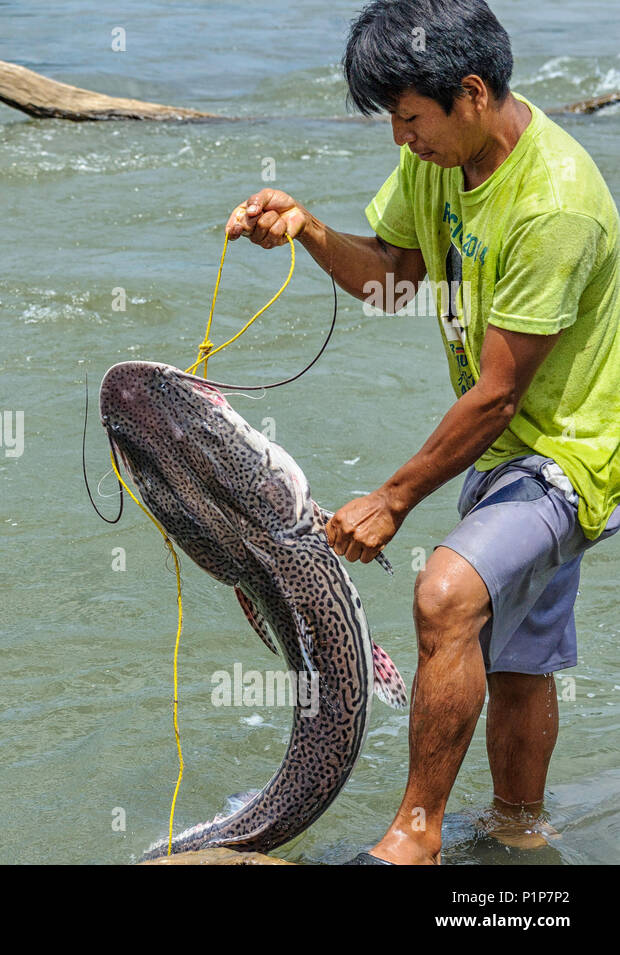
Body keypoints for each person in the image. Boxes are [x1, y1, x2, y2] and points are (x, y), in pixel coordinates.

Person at [225, 0, 620, 864]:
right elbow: (397, 279)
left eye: (409, 119)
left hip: (571, 449)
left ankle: (416, 837)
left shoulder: (557, 207)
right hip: (510, 438)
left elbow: (499, 395)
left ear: (472, 93)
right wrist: (311, 232)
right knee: (516, 656)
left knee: (446, 594)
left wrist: (393, 497)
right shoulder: (445, 160)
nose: (402, 140)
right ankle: (521, 834)